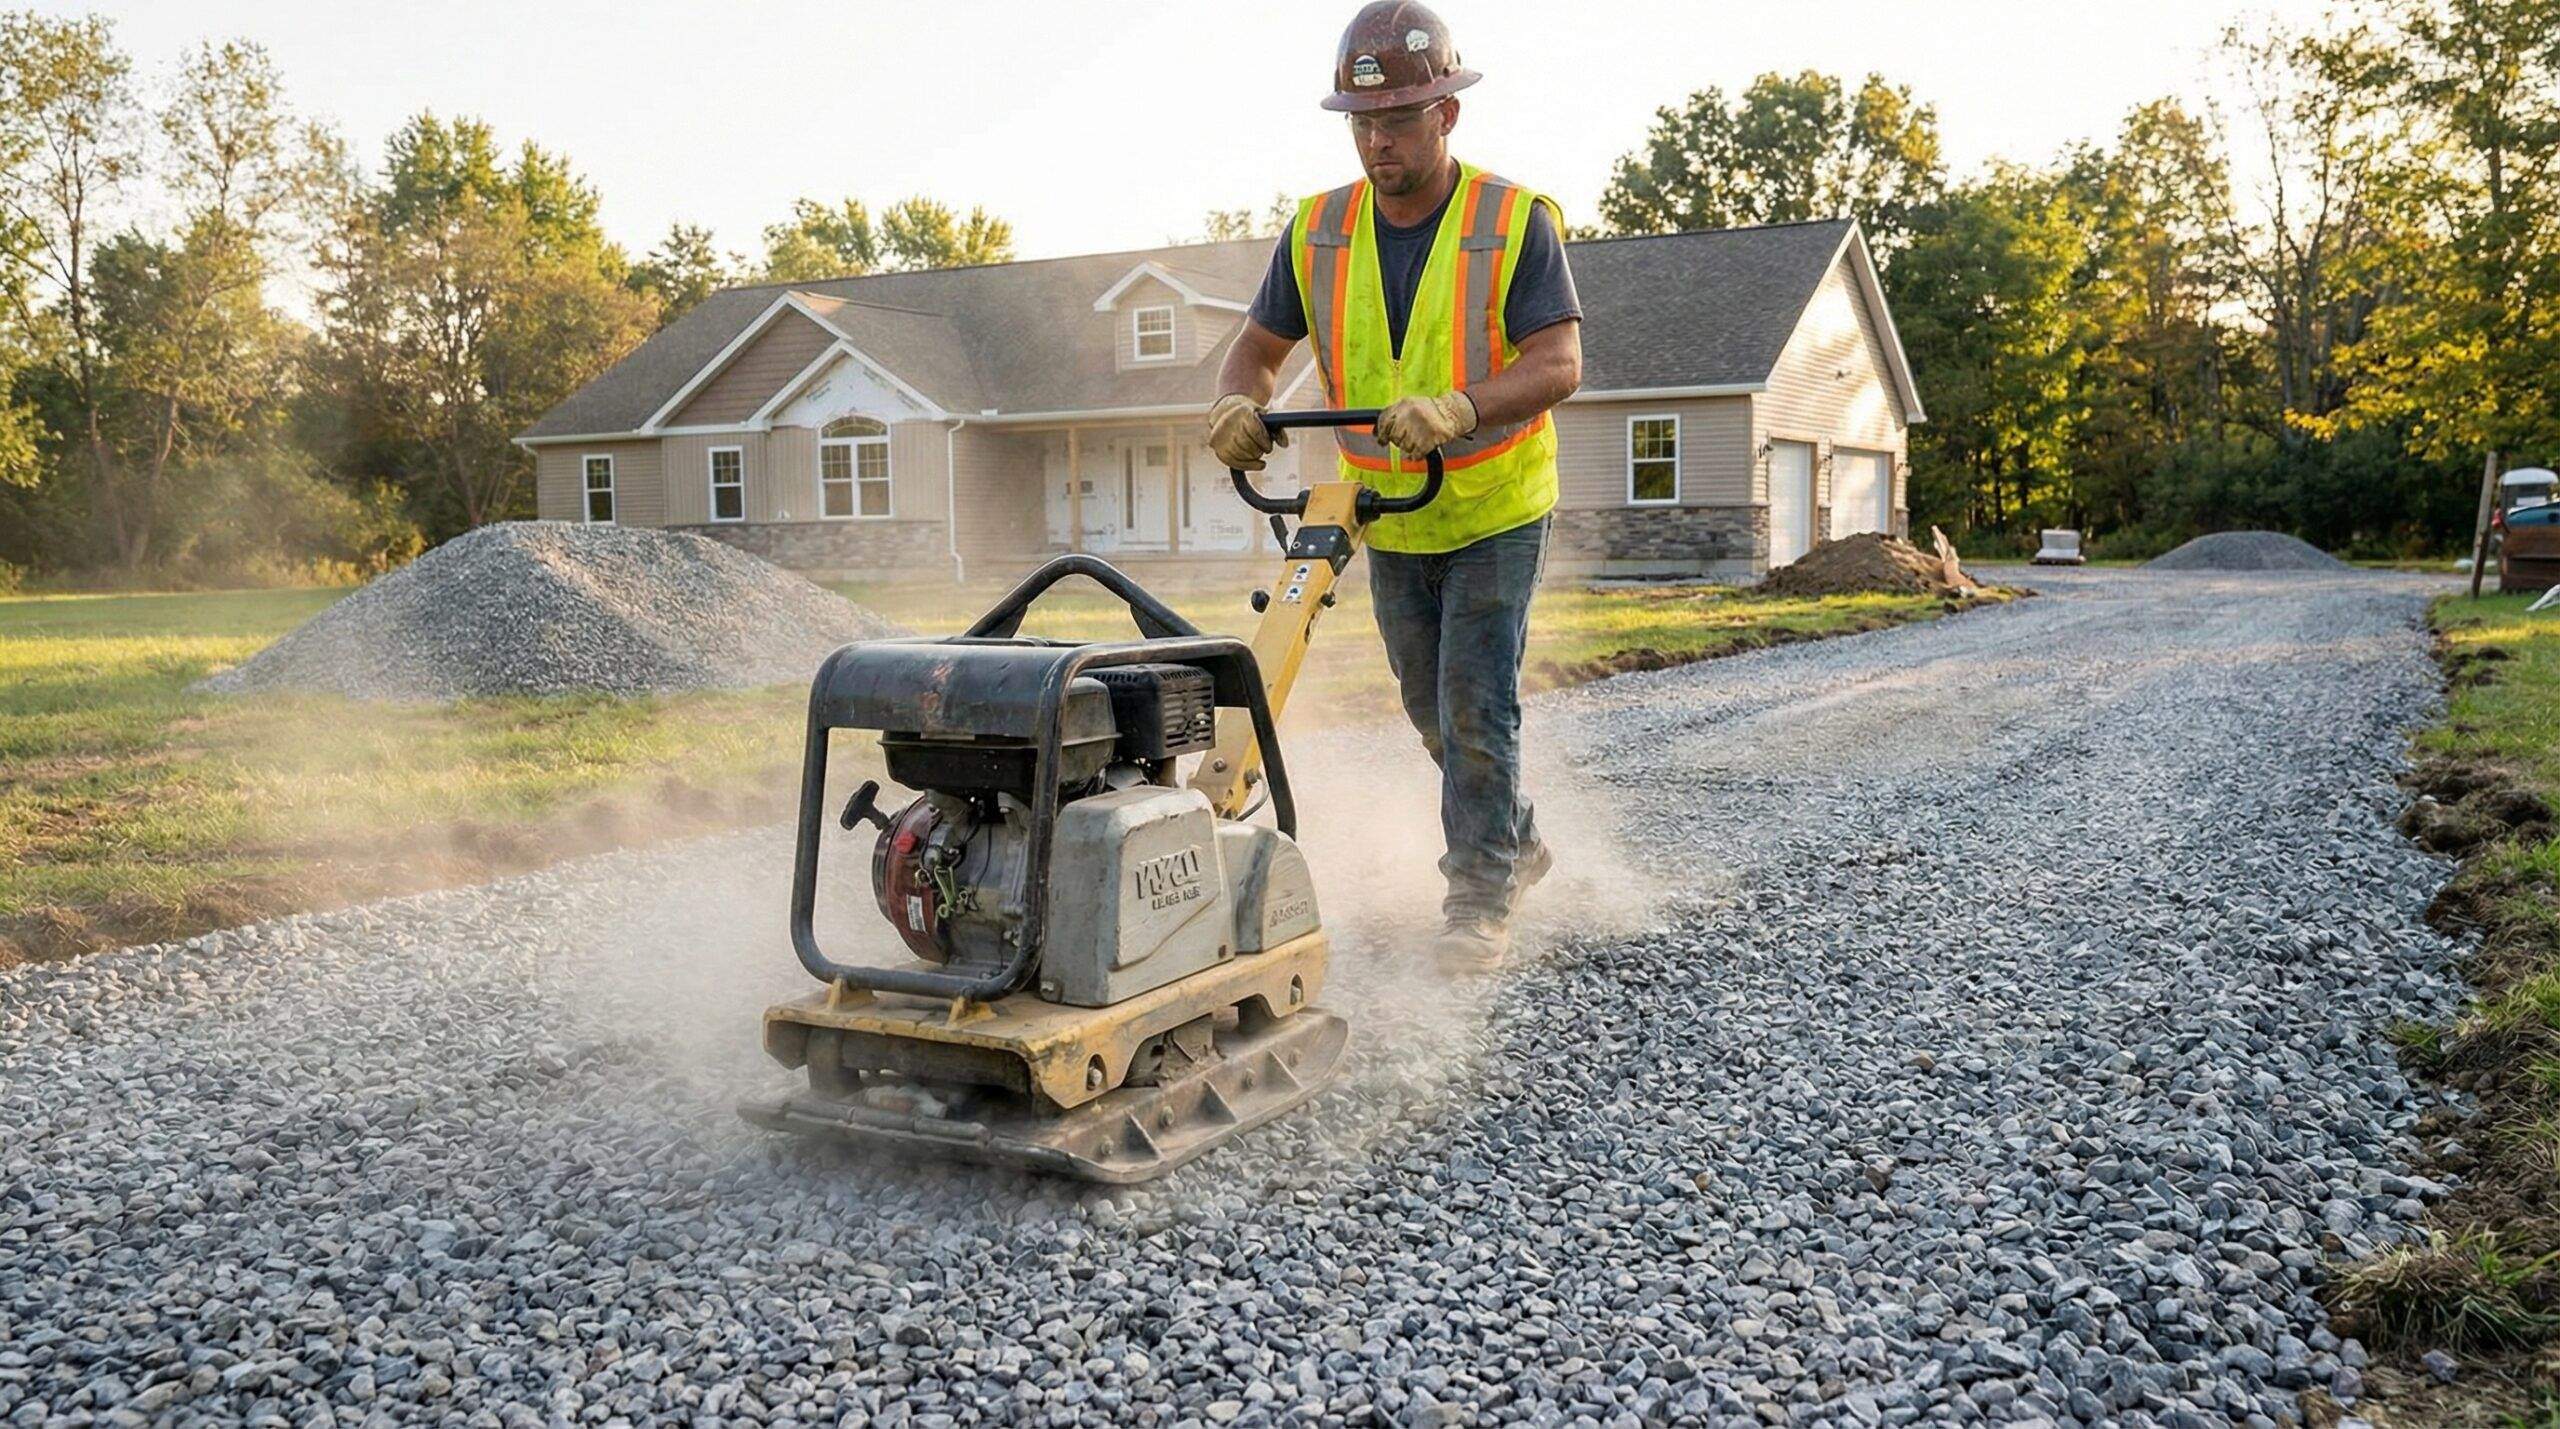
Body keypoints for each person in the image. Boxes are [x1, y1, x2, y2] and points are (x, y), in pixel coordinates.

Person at [1206, 0, 1583, 973]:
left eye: (1398, 120)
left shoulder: (1512, 219)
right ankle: (1512, 836)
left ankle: (1477, 898)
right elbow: (1254, 348)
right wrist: (1236, 404)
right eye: (1362, 123)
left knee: (1472, 699)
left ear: (1445, 114)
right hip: (1392, 517)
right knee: (1430, 706)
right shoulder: (1318, 230)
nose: (1377, 141)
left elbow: (1559, 361)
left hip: (1496, 504)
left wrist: (1460, 405)